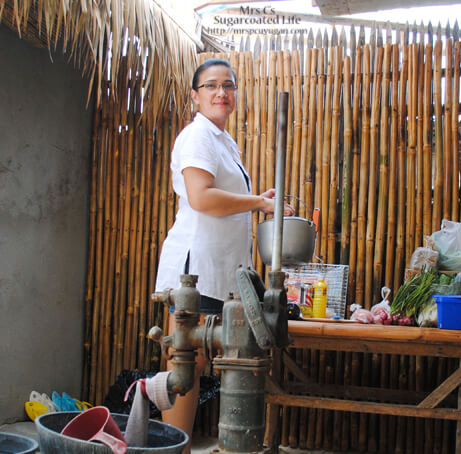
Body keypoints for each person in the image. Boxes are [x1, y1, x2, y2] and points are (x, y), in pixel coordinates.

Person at [155, 58, 294, 449]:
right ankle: (173, 447)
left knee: (196, 364)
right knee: (186, 363)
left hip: (220, 268)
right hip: (195, 267)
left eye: (229, 86)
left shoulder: (223, 140)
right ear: (195, 95)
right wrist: (258, 204)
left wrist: (258, 200)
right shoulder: (196, 136)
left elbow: (228, 197)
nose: (221, 93)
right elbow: (201, 197)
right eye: (212, 85)